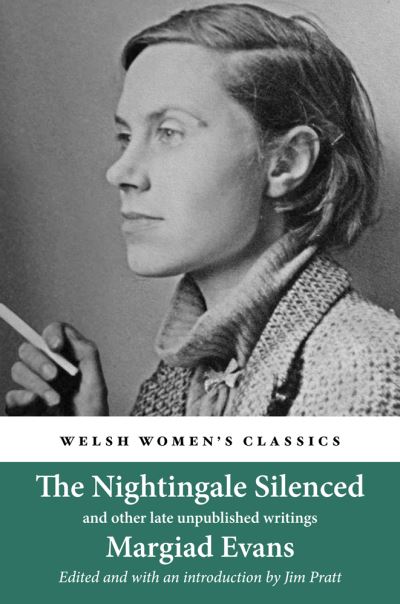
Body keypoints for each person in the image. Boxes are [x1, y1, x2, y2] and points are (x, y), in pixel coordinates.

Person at [5, 3, 400, 416]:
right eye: (125, 137)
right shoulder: (171, 384)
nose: (119, 171)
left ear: (286, 162)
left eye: (169, 132)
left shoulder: (361, 364)